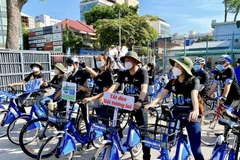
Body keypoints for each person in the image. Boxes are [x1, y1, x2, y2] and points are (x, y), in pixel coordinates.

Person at [145, 56, 204, 160]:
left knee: (197, 151)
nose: (174, 68)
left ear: (185, 69)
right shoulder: (172, 82)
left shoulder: (194, 80)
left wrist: (195, 110)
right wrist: (152, 103)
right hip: (176, 114)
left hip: (190, 115)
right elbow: (162, 93)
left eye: (178, 66)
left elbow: (194, 94)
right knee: (168, 141)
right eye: (175, 66)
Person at [107, 51, 150, 160]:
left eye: (129, 60)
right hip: (126, 102)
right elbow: (115, 85)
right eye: (125, 60)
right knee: (112, 116)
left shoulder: (142, 73)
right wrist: (106, 96)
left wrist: (140, 101)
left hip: (139, 105)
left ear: (135, 62)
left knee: (144, 132)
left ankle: (146, 156)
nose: (126, 62)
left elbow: (144, 89)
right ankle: (119, 138)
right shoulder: (124, 73)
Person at [82, 54, 114, 126]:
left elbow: (104, 92)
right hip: (97, 102)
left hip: (103, 103)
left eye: (99, 60)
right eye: (97, 60)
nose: (97, 62)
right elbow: (96, 90)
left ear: (105, 62)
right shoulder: (99, 73)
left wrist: (90, 98)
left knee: (103, 124)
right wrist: (85, 89)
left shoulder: (107, 74)